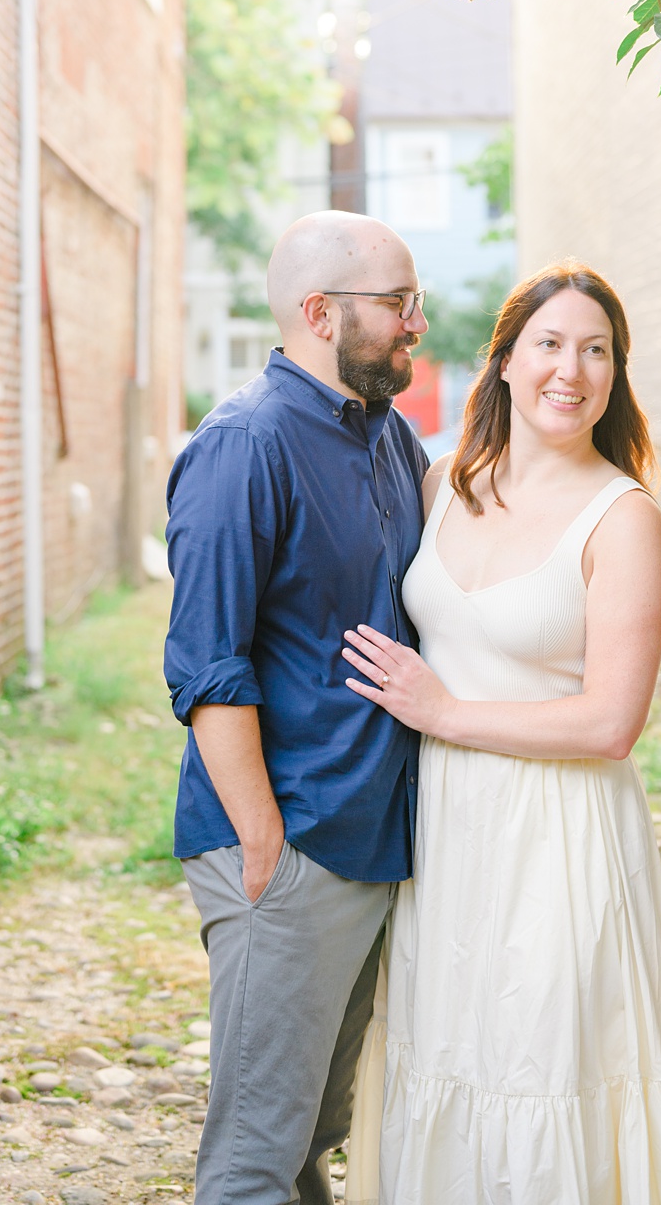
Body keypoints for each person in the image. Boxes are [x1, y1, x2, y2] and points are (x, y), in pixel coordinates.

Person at [337, 262, 661, 1204]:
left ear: (615, 375)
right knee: (452, 1047)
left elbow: (611, 722)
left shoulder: (622, 518)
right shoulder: (442, 484)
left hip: (561, 829)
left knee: (548, 1060)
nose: (572, 370)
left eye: (597, 351)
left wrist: (445, 713)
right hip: (450, 828)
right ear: (504, 361)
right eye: (550, 344)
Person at [162, 211, 432, 1205]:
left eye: (416, 301)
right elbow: (206, 665)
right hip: (286, 843)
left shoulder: (393, 438)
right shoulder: (243, 447)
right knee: (253, 1157)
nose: (416, 323)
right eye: (399, 303)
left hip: (368, 842)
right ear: (321, 313)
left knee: (313, 1130)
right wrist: (262, 839)